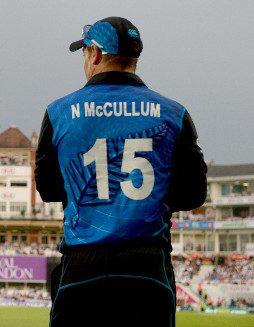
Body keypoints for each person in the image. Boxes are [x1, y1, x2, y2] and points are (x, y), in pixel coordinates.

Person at [35, 17, 207, 326]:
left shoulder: (59, 112)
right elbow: (194, 193)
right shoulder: (173, 113)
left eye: (85, 52)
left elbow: (48, 188)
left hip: (82, 266)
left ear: (96, 55)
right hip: (147, 266)